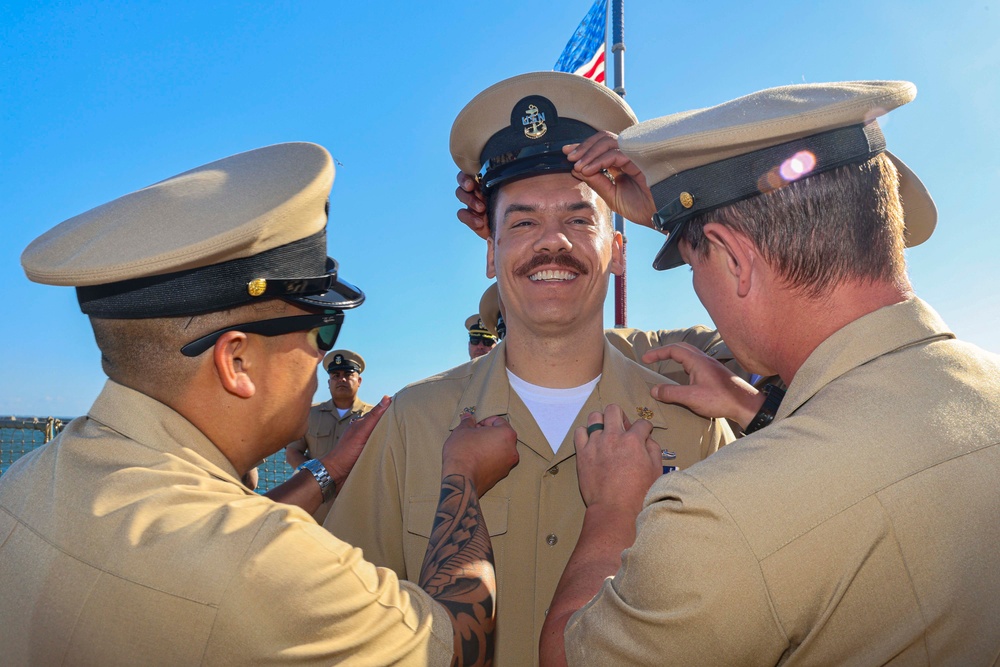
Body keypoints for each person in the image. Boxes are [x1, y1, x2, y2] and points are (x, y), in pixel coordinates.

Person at [0, 142, 520, 666]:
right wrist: (464, 481)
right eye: (322, 328)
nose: (323, 357)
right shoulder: (271, 566)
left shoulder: (25, 482)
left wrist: (328, 471)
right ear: (237, 363)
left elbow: (210, 545)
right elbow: (455, 643)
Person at [540, 81, 1000, 665]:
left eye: (692, 264)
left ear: (734, 259)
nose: (699, 291)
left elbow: (563, 656)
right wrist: (754, 412)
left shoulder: (716, 516)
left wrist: (610, 512)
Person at [325, 72, 734, 667]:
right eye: (521, 222)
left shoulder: (692, 426)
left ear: (617, 251)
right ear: (490, 251)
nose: (552, 243)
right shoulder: (414, 424)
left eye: (579, 219)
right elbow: (347, 629)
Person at [286, 349, 373, 522]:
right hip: (316, 505)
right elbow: (292, 452)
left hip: (357, 503)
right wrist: (316, 480)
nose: (341, 379)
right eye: (335, 375)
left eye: (348, 374)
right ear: (329, 382)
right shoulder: (310, 414)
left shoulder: (373, 417)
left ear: (359, 380)